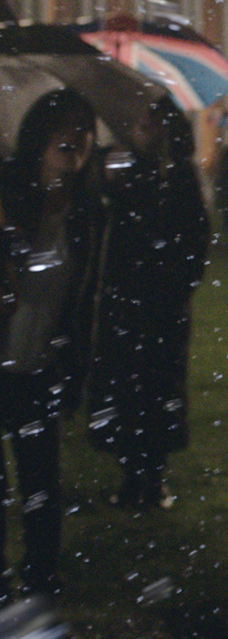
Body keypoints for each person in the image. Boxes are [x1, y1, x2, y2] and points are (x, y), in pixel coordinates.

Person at [0, 88, 100, 601]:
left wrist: (72, 366)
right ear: (39, 137)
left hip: (41, 362)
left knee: (41, 477)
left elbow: (84, 299)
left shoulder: (84, 213)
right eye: (66, 130)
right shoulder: (9, 194)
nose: (76, 141)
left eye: (85, 131)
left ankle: (41, 571)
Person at [87, 100, 209, 511]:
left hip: (160, 304)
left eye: (153, 122)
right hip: (125, 300)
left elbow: (195, 240)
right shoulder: (118, 168)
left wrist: (176, 287)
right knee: (125, 386)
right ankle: (130, 472)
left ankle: (152, 474)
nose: (145, 130)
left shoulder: (178, 175)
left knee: (156, 386)